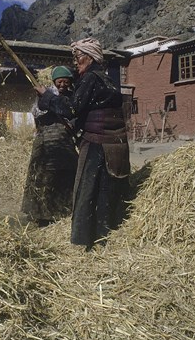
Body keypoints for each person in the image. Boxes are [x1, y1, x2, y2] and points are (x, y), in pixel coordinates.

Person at [36, 38, 130, 249]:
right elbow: (87, 110)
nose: (76, 62)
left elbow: (71, 108)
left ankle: (86, 241)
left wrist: (47, 96)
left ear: (89, 57)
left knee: (87, 191)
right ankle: (104, 236)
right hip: (116, 145)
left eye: (78, 58)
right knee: (105, 192)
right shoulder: (107, 79)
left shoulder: (91, 79)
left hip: (98, 145)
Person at [21, 66, 78, 227]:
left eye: (66, 82)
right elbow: (37, 113)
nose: (63, 85)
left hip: (64, 142)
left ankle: (64, 210)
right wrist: (45, 98)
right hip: (45, 142)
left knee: (67, 176)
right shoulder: (45, 94)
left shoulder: (71, 97)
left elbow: (74, 114)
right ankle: (39, 215)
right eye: (60, 82)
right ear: (54, 81)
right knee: (42, 178)